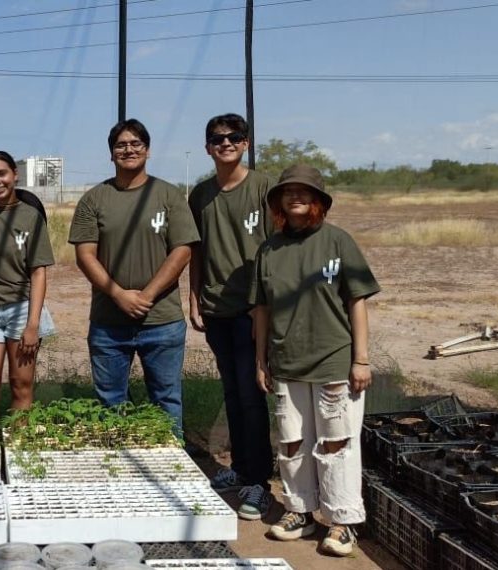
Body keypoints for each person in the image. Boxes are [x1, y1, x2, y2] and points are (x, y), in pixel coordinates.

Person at [251, 164, 379, 557]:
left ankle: (342, 521)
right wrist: (261, 361)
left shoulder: (338, 242)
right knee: (291, 443)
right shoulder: (269, 250)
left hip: (333, 361)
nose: (295, 197)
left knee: (336, 443)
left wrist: (361, 360)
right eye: (288, 192)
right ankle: (298, 510)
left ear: (319, 201)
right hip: (286, 363)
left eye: (304, 192)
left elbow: (356, 301)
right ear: (279, 202)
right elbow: (261, 311)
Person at [68, 119, 200, 434]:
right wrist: (118, 294)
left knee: (166, 400)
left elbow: (182, 251)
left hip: (162, 321)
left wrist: (147, 295)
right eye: (121, 145)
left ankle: (171, 471)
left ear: (148, 150)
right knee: (111, 401)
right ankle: (120, 467)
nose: (129, 149)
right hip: (108, 323)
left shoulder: (168, 195)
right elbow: (85, 256)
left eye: (136, 143)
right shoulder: (94, 199)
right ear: (111, 153)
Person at [187, 113, 275, 520]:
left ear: (245, 143)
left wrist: (270, 304)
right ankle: (240, 468)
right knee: (232, 393)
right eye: (217, 138)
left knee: (253, 394)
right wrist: (194, 297)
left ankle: (260, 480)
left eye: (233, 137)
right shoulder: (200, 194)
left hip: (252, 308)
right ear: (207, 147)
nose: (225, 143)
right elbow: (197, 251)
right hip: (216, 306)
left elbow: (278, 248)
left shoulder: (262, 187)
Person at [0, 151, 56, 423]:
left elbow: (38, 273)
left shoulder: (30, 216)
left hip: (21, 311)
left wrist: (32, 324)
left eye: (1, 173)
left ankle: (19, 448)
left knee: (21, 387)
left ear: (15, 174)